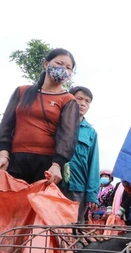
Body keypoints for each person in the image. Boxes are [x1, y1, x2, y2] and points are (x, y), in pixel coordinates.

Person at [0, 48, 79, 185]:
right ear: (46, 63)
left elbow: (68, 136)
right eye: (59, 63)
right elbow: (6, 125)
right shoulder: (22, 92)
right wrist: (3, 153)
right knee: (12, 204)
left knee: (38, 205)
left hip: (47, 165)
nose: (63, 69)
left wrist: (57, 165)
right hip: (15, 159)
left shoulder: (68, 100)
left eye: (68, 68)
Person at [61, 86, 100, 223]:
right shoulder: (57, 124)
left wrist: (92, 195)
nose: (83, 103)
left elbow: (93, 165)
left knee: (74, 232)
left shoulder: (91, 133)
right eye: (79, 99)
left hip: (78, 190)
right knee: (50, 229)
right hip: (55, 186)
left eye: (87, 101)